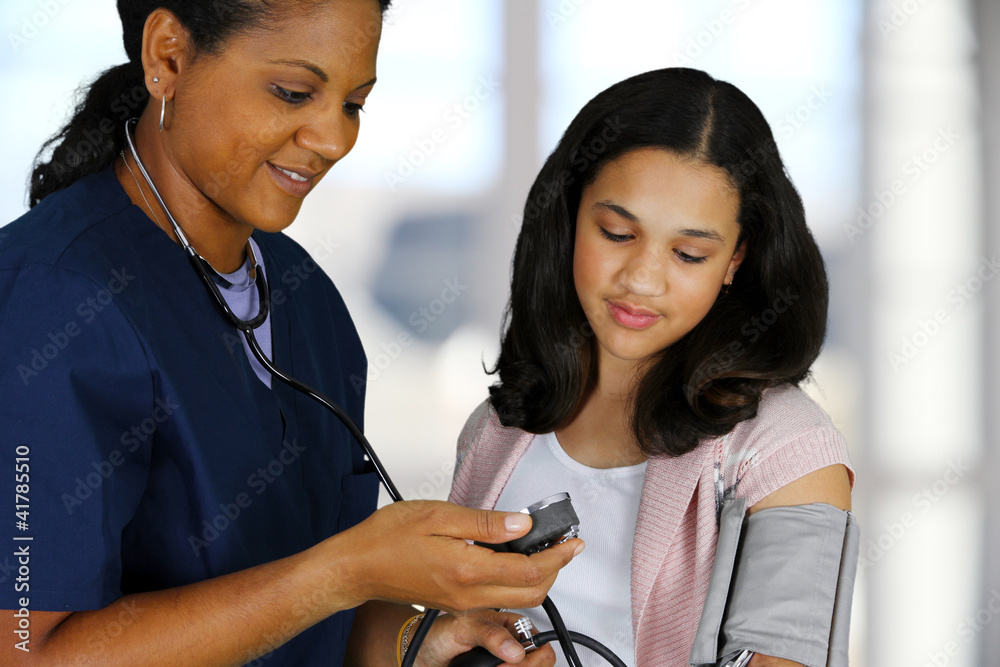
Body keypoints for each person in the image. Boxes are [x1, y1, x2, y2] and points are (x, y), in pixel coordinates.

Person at [0, 1, 582, 665]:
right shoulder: (47, 303)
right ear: (168, 57)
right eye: (294, 93)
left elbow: (319, 615)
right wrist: (343, 570)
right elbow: (25, 651)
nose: (334, 139)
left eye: (354, 104)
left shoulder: (306, 298)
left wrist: (419, 643)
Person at [448, 68, 857, 667]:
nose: (641, 279)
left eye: (689, 253)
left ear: (736, 260)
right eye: (616, 233)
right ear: (568, 219)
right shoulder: (496, 429)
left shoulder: (791, 451)